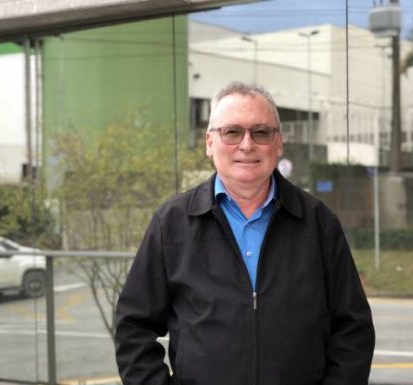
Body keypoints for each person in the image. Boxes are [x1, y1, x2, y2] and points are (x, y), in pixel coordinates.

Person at [114, 82, 375, 385]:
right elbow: (133, 328)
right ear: (209, 142)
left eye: (261, 132)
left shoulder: (319, 223)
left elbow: (353, 330)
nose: (247, 144)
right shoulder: (171, 224)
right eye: (232, 132)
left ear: (278, 144)